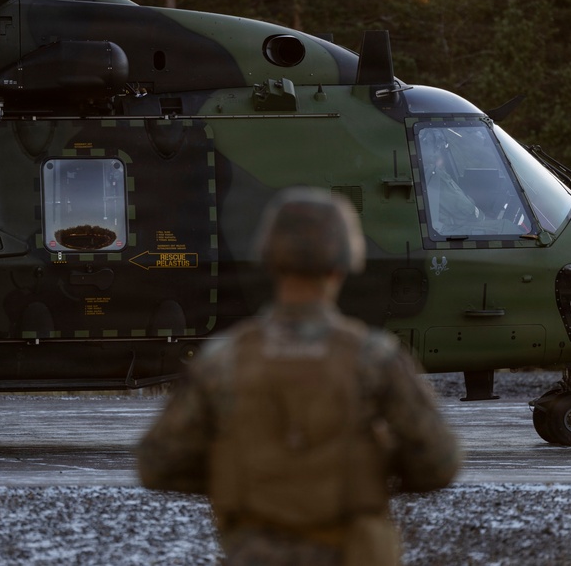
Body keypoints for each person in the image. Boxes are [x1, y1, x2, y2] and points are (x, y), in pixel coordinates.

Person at [137, 187, 461, 566]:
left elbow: (157, 463)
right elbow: (439, 461)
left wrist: (239, 474)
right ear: (341, 265)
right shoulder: (374, 357)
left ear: (271, 261)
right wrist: (371, 468)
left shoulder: (222, 359)